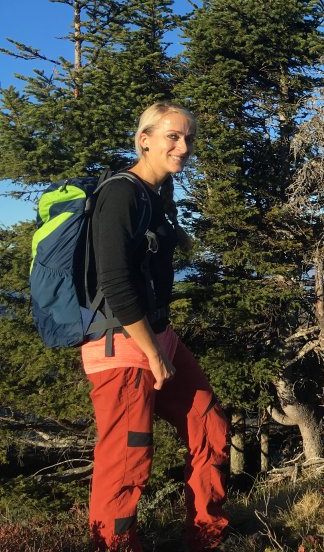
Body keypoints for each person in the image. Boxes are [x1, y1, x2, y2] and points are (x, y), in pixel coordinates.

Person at [84, 102, 229, 551]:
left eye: (189, 138)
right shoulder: (121, 195)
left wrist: (159, 346)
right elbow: (115, 282)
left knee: (208, 425)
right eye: (173, 137)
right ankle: (114, 546)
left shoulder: (156, 193)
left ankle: (206, 536)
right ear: (144, 140)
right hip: (122, 345)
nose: (183, 147)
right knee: (127, 457)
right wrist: (152, 353)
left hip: (156, 336)